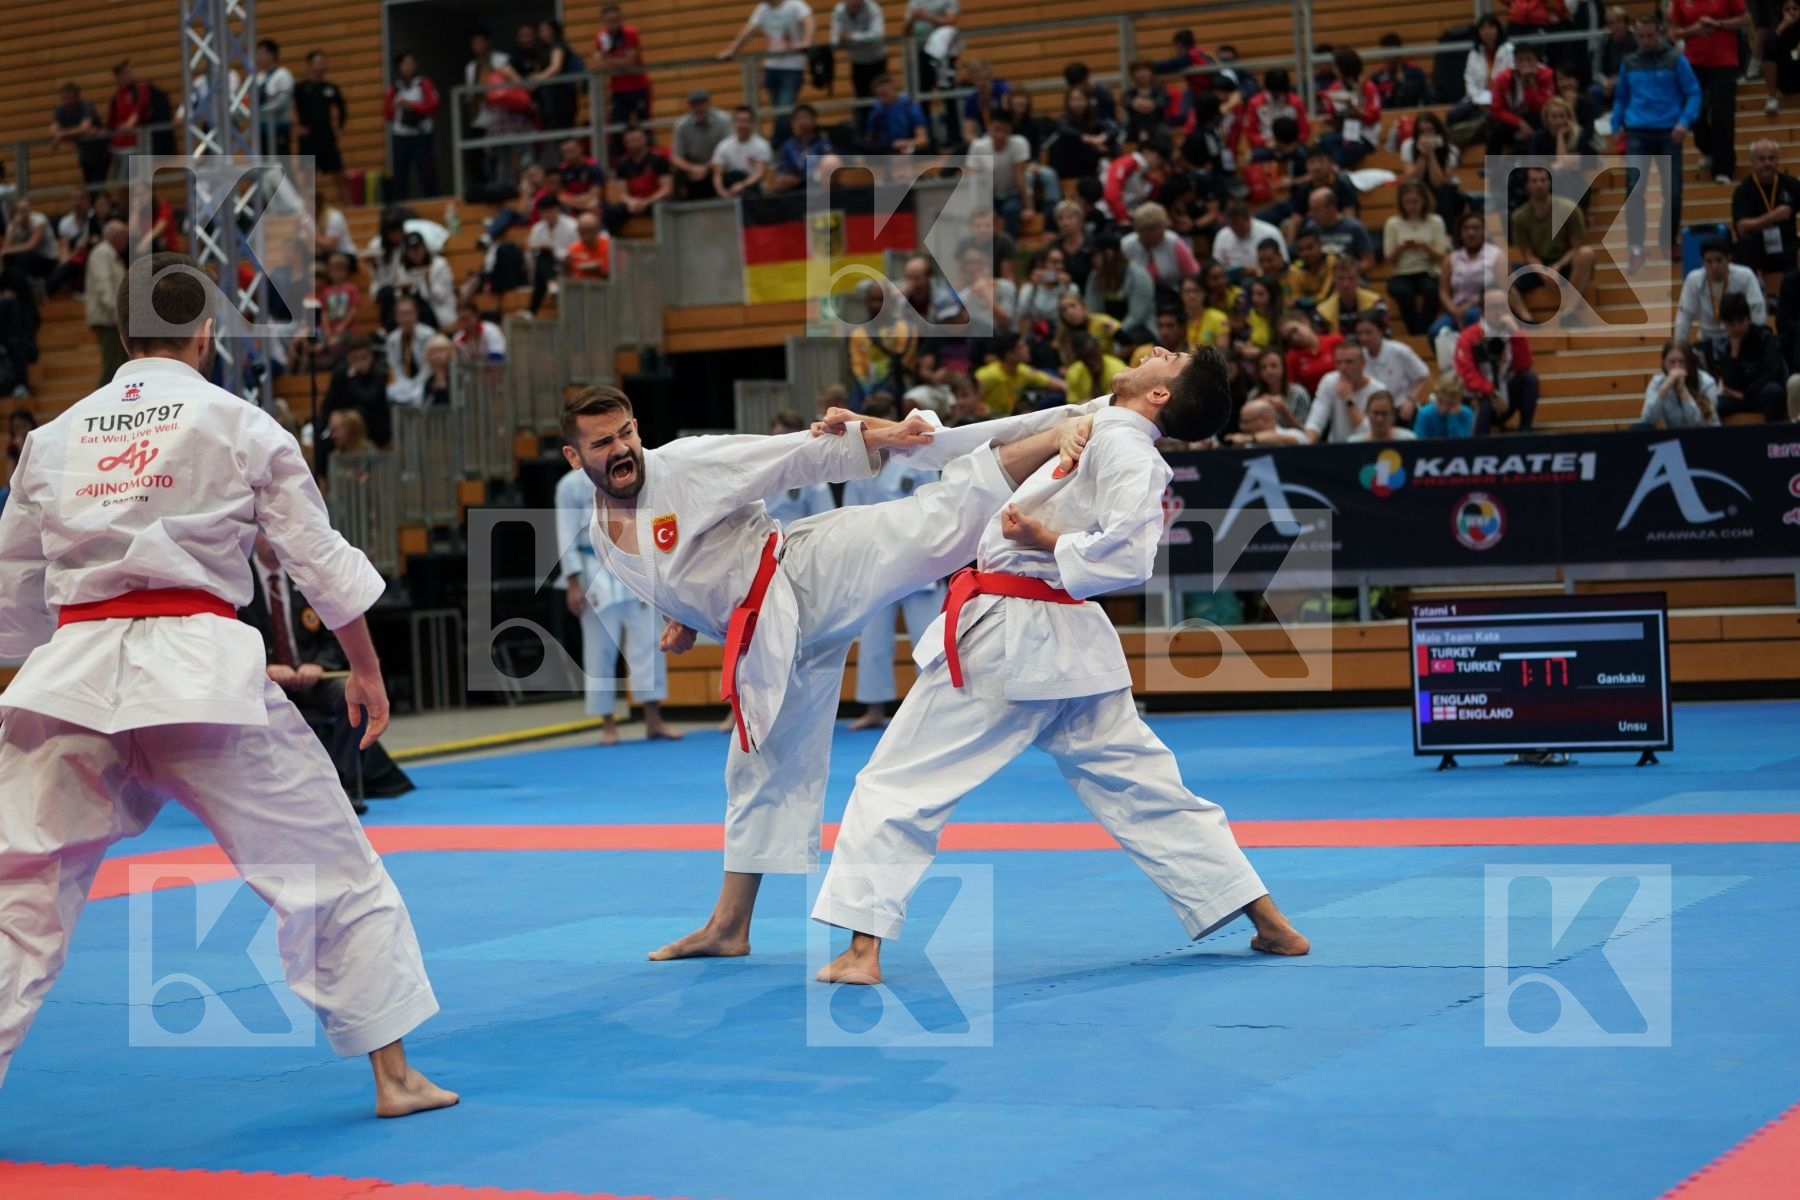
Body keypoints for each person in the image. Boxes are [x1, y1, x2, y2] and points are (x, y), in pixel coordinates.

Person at [0, 251, 454, 1117]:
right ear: (205, 333)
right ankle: (396, 1078)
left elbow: (13, 591)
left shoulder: (51, 440)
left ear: (124, 334)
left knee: (15, 896)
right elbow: (316, 561)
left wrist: (43, 664)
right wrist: (362, 666)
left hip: (71, 675)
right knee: (326, 866)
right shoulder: (239, 423)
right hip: (202, 677)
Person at [810, 346, 1309, 985]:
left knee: (898, 784)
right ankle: (1271, 924)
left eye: (1170, 357)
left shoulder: (1131, 449)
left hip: (1016, 635)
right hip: (1069, 648)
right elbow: (994, 441)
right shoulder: (1098, 417)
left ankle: (862, 951)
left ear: (1161, 395)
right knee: (1145, 786)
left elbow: (1132, 556)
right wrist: (884, 433)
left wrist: (1045, 541)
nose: (1157, 349)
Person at [564, 377, 1101, 961]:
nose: (619, 449)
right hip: (771, 639)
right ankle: (729, 927)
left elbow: (790, 456)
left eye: (625, 433)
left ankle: (1058, 432)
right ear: (575, 457)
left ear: (638, 428)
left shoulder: (685, 464)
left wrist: (886, 434)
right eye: (601, 444)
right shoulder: (601, 527)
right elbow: (676, 571)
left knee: (937, 522)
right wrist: (684, 618)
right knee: (756, 768)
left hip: (805, 572)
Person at [240, 534, 414, 811]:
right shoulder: (238, 582)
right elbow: (232, 637)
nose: (271, 540)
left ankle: (340, 785)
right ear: (252, 535)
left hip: (314, 680)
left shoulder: (307, 579)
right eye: (263, 532)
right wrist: (263, 667)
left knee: (352, 694)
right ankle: (264, 795)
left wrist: (320, 664)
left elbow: (337, 635)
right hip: (262, 682)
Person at [556, 464, 681, 746]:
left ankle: (653, 719)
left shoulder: (628, 473)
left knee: (649, 642)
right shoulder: (569, 486)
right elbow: (565, 534)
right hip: (592, 570)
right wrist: (573, 582)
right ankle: (608, 723)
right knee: (599, 648)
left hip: (632, 563)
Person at [839, 403, 943, 733]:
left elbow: (938, 504)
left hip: (918, 556)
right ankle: (874, 709)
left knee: (929, 638)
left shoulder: (917, 456)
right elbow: (849, 515)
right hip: (874, 560)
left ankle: (938, 708)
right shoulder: (858, 463)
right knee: (873, 640)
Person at [1614, 14, 1702, 273]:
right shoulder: (1629, 62)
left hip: (1669, 132)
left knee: (1672, 191)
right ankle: (1636, 248)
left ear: (1660, 32)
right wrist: (1617, 123)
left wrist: (1684, 122)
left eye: (1650, 35)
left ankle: (1668, 240)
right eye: (1641, 36)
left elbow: (1694, 93)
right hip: (1638, 132)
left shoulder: (1676, 59)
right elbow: (1621, 97)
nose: (1646, 41)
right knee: (1634, 190)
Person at [1667, 0, 1749, 185]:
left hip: (1724, 61)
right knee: (1695, 112)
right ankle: (1708, 148)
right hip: (1693, 62)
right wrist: (1694, 30)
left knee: (1723, 115)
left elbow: (1746, 19)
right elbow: (1673, 32)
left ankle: (1723, 168)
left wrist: (1719, 24)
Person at [1508, 165, 1598, 321]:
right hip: (1538, 264)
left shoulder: (1569, 208)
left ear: (1549, 183)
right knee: (1500, 267)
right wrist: (1542, 271)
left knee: (1586, 254)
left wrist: (1557, 266)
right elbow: (1527, 254)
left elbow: (1576, 247)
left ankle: (1568, 313)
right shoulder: (1519, 217)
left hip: (1566, 263)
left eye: (1543, 180)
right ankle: (1526, 318)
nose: (1539, 185)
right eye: (1534, 181)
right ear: (1527, 186)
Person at [718, 0, 815, 128]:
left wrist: (806, 42)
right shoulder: (762, 9)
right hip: (771, 68)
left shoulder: (794, 5)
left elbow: (809, 21)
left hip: (792, 68)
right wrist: (732, 50)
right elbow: (749, 31)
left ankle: (777, 143)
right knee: (779, 111)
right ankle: (785, 142)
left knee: (783, 112)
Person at [1454, 290, 1540, 433]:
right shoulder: (1469, 336)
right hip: (1481, 396)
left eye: (1503, 306)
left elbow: (1524, 365)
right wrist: (1493, 393)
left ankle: (1526, 431)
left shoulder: (1512, 334)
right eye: (1494, 307)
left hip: (1506, 391)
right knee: (1485, 402)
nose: (1500, 311)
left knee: (1529, 379)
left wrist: (1516, 335)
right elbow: (1468, 374)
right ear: (1482, 311)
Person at [1674, 236, 1768, 358]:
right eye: (1709, 262)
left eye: (1719, 260)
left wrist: (1754, 340)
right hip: (1707, 339)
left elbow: (1757, 311)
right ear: (1702, 261)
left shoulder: (1745, 276)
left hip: (1740, 337)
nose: (1714, 266)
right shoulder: (1694, 280)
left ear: (1729, 259)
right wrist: (1680, 350)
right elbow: (1684, 317)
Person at [1384, 182, 1449, 336]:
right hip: (1401, 272)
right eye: (1407, 202)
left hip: (1428, 270)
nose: (1411, 206)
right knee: (1402, 292)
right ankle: (1417, 333)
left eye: (1415, 202)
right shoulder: (1392, 223)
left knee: (1432, 291)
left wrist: (1426, 247)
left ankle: (1421, 332)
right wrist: (1399, 248)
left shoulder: (1436, 221)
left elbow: (1442, 255)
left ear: (1424, 201)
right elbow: (1389, 259)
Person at [1713, 291, 1789, 420]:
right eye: (1731, 324)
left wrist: (1745, 394)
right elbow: (1729, 384)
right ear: (1725, 324)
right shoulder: (1724, 346)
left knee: (1773, 392)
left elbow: (1773, 374)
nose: (1736, 328)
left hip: (1759, 394)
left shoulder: (1765, 338)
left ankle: (1773, 438)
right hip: (1738, 398)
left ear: (1748, 318)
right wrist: (1734, 353)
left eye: (1740, 321)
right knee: (1715, 404)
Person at [1732, 139, 1800, 279]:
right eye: (1761, 159)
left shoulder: (1791, 184)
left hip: (1787, 249)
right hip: (1758, 250)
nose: (1767, 163)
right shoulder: (1744, 190)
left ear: (1777, 160)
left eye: (1771, 158)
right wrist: (1773, 217)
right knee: (1745, 245)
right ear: (1752, 162)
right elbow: (1742, 227)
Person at [1434, 211, 1506, 338]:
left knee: (1471, 316)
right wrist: (1453, 310)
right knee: (1436, 332)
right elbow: (1443, 291)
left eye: (1475, 228)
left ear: (1485, 231)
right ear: (1461, 233)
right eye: (1466, 229)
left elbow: (1503, 288)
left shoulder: (1496, 255)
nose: (1471, 232)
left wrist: (1471, 305)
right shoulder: (1451, 258)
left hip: (1484, 307)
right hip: (1456, 308)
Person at [1354, 314, 1432, 423]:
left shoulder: (1400, 351)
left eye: (1368, 333)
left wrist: (1410, 400)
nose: (1364, 338)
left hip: (1400, 409)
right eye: (1360, 334)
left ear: (1380, 331)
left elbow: (1423, 375)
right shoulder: (1358, 355)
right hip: (1372, 413)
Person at [384, 52, 439, 202]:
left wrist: (411, 105)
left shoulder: (423, 83)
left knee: (426, 170)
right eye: (405, 64)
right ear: (399, 67)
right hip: (401, 135)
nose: (409, 67)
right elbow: (387, 115)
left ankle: (432, 200)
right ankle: (399, 204)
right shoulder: (394, 88)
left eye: (411, 63)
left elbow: (433, 106)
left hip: (422, 134)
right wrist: (394, 106)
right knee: (400, 173)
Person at [294, 51, 348, 203]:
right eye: (318, 62)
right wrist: (296, 127)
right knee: (308, 176)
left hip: (327, 135)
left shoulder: (331, 88)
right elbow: (286, 109)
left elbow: (342, 109)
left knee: (338, 173)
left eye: (323, 62)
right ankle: (308, 206)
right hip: (308, 137)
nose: (321, 66)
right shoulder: (300, 88)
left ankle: (348, 205)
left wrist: (340, 127)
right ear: (309, 65)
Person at [1304, 338, 1381, 443]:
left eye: (1349, 362)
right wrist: (1307, 445)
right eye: (1339, 362)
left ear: (1363, 363)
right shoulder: (1329, 381)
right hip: (1337, 448)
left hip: (1366, 450)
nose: (1343, 368)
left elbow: (1367, 432)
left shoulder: (1377, 390)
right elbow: (1315, 421)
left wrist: (1349, 400)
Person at [593, 6, 652, 135]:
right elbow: (598, 64)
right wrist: (618, 61)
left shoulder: (630, 33)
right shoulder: (601, 37)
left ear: (620, 20)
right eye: (609, 21)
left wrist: (608, 60)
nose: (612, 25)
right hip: (618, 91)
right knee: (618, 129)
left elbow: (629, 63)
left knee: (645, 127)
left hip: (638, 87)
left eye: (615, 20)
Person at [1488, 42, 1555, 155]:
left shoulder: (1547, 75)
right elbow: (1496, 110)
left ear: (1537, 60)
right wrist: (1519, 122)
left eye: (1529, 60)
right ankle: (1491, 169)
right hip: (1513, 118)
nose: (1525, 64)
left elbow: (1545, 106)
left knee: (1547, 123)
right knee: (1496, 129)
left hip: (1537, 118)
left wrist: (1529, 86)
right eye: (1520, 60)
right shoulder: (1503, 78)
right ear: (1514, 62)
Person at [1317, 47, 1380, 167]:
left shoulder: (1368, 88)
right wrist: (1328, 119)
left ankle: (1335, 171)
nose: (1334, 70)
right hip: (1342, 134)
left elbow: (1373, 117)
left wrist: (1352, 107)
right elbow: (1331, 114)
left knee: (1341, 148)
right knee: (1321, 144)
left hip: (1364, 137)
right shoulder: (1335, 88)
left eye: (1336, 67)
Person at [975, 330, 1064, 414]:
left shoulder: (1022, 371)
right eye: (1022, 347)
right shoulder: (987, 375)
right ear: (1009, 354)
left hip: (1008, 419)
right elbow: (973, 403)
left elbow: (1057, 384)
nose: (1027, 349)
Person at [1640, 339, 1722, 427]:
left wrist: (1683, 390)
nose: (1677, 366)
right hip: (1675, 436)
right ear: (1664, 363)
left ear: (1690, 363)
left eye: (1682, 361)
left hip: (1706, 435)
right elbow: (1647, 419)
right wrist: (1665, 388)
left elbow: (1698, 423)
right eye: (1672, 362)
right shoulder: (1658, 382)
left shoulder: (1707, 383)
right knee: (1638, 428)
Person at [84, 219, 128, 386]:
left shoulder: (113, 256)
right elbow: (104, 287)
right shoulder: (102, 254)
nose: (127, 241)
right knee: (113, 368)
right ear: (114, 237)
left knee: (119, 365)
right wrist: (117, 314)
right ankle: (99, 404)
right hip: (109, 320)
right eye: (124, 236)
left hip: (113, 318)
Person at [48, 82, 109, 190]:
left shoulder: (86, 105)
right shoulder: (61, 109)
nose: (68, 102)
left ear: (77, 97)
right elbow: (53, 129)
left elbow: (85, 127)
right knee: (90, 185)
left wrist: (63, 134)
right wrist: (60, 134)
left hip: (100, 151)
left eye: (70, 98)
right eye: (65, 98)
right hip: (84, 153)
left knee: (98, 184)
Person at [672, 91, 732, 199]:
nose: (698, 109)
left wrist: (706, 168)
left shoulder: (724, 121)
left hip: (716, 165)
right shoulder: (681, 125)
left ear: (709, 104)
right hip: (692, 169)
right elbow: (676, 158)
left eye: (701, 104)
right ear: (689, 107)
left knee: (729, 170)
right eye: (694, 105)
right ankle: (681, 210)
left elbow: (728, 152)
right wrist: (692, 168)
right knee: (675, 174)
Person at [831, 0, 888, 99]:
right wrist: (841, 39)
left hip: (877, 61)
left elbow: (878, 35)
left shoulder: (873, 8)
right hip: (857, 62)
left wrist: (852, 37)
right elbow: (834, 39)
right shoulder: (839, 11)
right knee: (861, 98)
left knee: (881, 97)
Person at [772, 104, 835, 192]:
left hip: (818, 184)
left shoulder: (822, 141)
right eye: (797, 119)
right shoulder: (787, 146)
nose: (801, 121)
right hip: (795, 186)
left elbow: (832, 163)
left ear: (814, 120)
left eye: (804, 117)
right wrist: (786, 178)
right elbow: (782, 171)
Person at [862, 75, 930, 154]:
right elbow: (870, 138)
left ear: (893, 88)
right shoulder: (876, 111)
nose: (883, 98)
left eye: (885, 93)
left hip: (909, 148)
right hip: (887, 150)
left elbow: (923, 140)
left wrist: (904, 143)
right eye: (880, 95)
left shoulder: (909, 107)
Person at [1316, 258, 1383, 336]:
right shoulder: (1322, 311)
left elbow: (1386, 337)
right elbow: (1322, 343)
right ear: (1334, 280)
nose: (1346, 284)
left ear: (1358, 279)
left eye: (1351, 278)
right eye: (1341, 278)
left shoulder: (1376, 303)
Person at [252, 39, 295, 156]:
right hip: (262, 128)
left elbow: (281, 102)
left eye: (261, 53)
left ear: (271, 55)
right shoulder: (259, 77)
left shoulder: (283, 75)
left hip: (278, 127)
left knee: (282, 162)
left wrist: (259, 112)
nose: (258, 57)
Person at [1758, 0, 1800, 114]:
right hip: (1785, 77)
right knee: (1769, 56)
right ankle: (1772, 98)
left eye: (1795, 9)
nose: (1791, 12)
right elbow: (1767, 49)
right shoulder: (1777, 30)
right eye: (1787, 9)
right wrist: (1782, 27)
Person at [1063, 331, 1126, 403]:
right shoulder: (1073, 372)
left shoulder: (1118, 370)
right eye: (1084, 357)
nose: (1090, 361)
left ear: (1098, 348)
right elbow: (1072, 403)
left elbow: (1119, 401)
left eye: (1092, 354)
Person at [1413, 373, 1475, 439]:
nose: (1444, 408)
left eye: (1451, 404)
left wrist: (1453, 417)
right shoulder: (1424, 414)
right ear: (1436, 396)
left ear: (1459, 401)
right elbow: (1419, 445)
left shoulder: (1467, 414)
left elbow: (1462, 445)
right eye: (1440, 401)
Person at [1347, 389, 1415, 442]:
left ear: (1392, 414)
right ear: (1367, 413)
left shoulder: (1408, 440)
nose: (1379, 419)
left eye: (1384, 413)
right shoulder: (1354, 443)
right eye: (1375, 413)